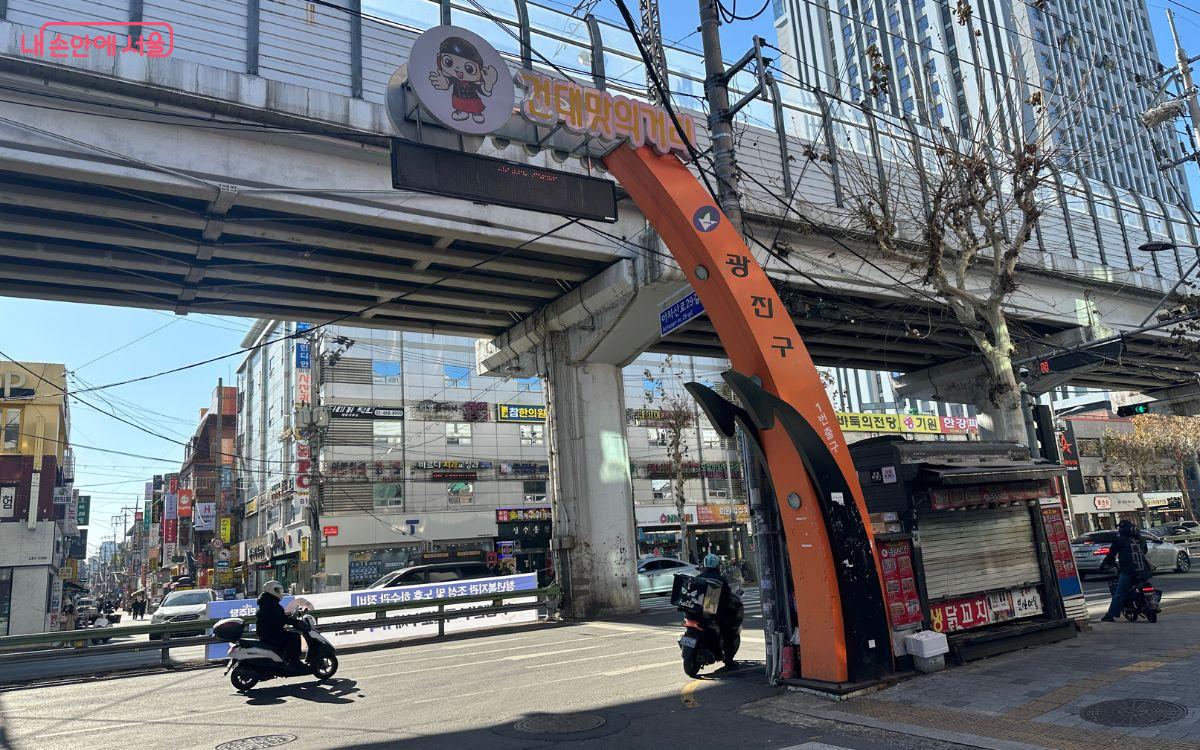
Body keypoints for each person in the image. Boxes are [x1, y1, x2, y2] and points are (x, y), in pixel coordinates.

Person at [695, 552, 744, 670]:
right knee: (729, 632)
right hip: (712, 614)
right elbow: (727, 599)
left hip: (695, 612)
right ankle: (729, 660)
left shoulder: (698, 578)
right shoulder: (720, 580)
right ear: (718, 566)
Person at [1101, 520, 1153, 622]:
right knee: (1147, 586)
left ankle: (1110, 615)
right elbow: (1145, 551)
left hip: (1128, 571)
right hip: (1144, 570)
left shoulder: (1119, 540)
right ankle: (1152, 604)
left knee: (1119, 593)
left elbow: (1111, 555)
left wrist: (1104, 565)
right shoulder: (1141, 539)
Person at [256, 580, 304, 668]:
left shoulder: (267, 601)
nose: (280, 592)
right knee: (294, 636)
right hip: (271, 634)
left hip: (268, 632)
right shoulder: (270, 603)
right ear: (271, 590)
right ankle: (294, 661)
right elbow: (280, 617)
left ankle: (286, 659)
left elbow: (278, 616)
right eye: (277, 590)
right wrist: (295, 622)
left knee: (289, 634)